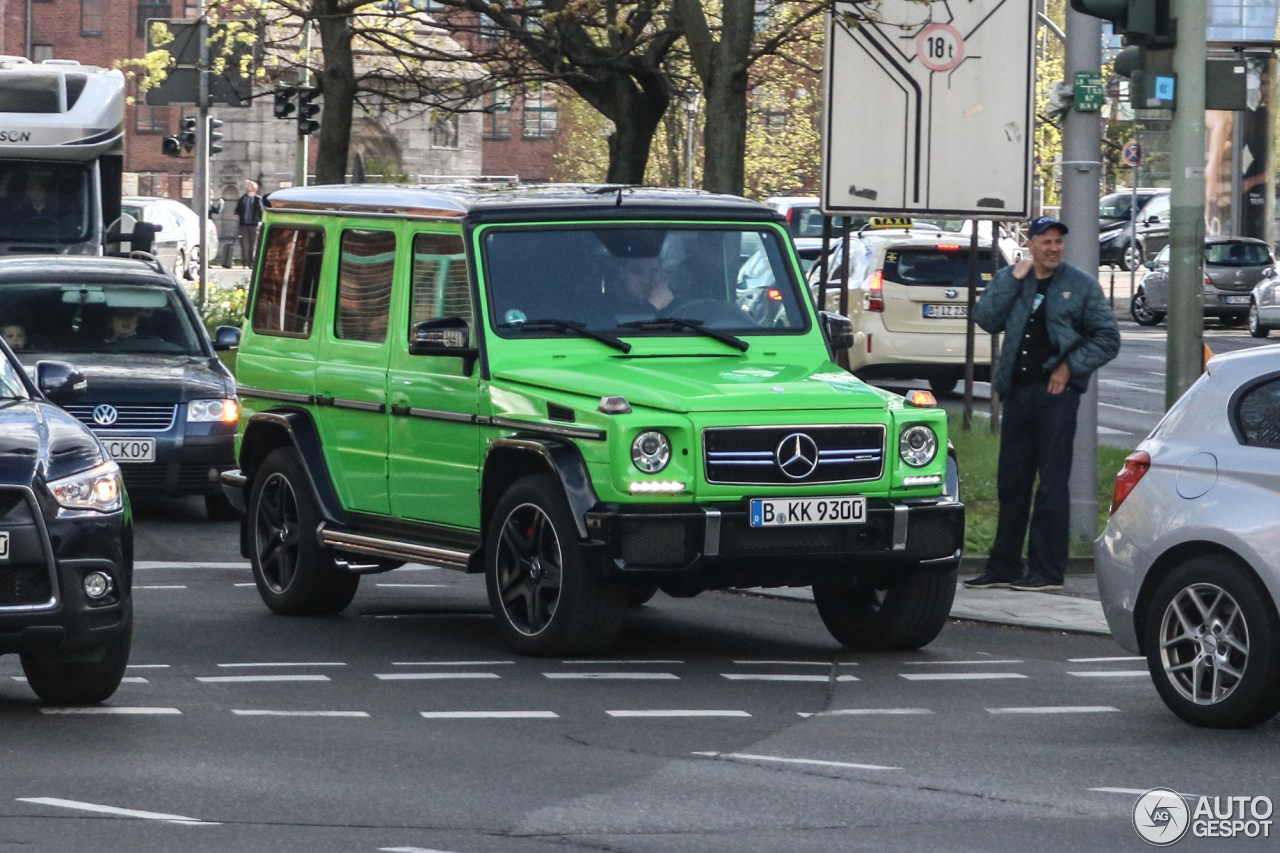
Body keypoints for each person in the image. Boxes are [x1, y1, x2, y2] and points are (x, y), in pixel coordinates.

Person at [964, 216, 1121, 592]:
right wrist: (1011, 278)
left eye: (1058, 242)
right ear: (1031, 245)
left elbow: (1107, 338)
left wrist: (1068, 368)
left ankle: (1047, 571)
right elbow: (985, 318)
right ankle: (1003, 566)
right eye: (1046, 241)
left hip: (1056, 396)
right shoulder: (1018, 281)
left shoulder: (1080, 285)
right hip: (1017, 393)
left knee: (1051, 485)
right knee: (1011, 482)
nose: (1053, 248)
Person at [234, 181, 264, 269]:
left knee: (253, 244)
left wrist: (260, 222)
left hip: (254, 225)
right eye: (247, 185)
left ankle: (252, 263)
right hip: (243, 224)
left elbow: (261, 212)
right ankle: (245, 263)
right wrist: (236, 213)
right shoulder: (242, 198)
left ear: (254, 187)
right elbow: (238, 209)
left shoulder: (258, 199)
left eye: (249, 185)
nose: (247, 187)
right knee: (244, 244)